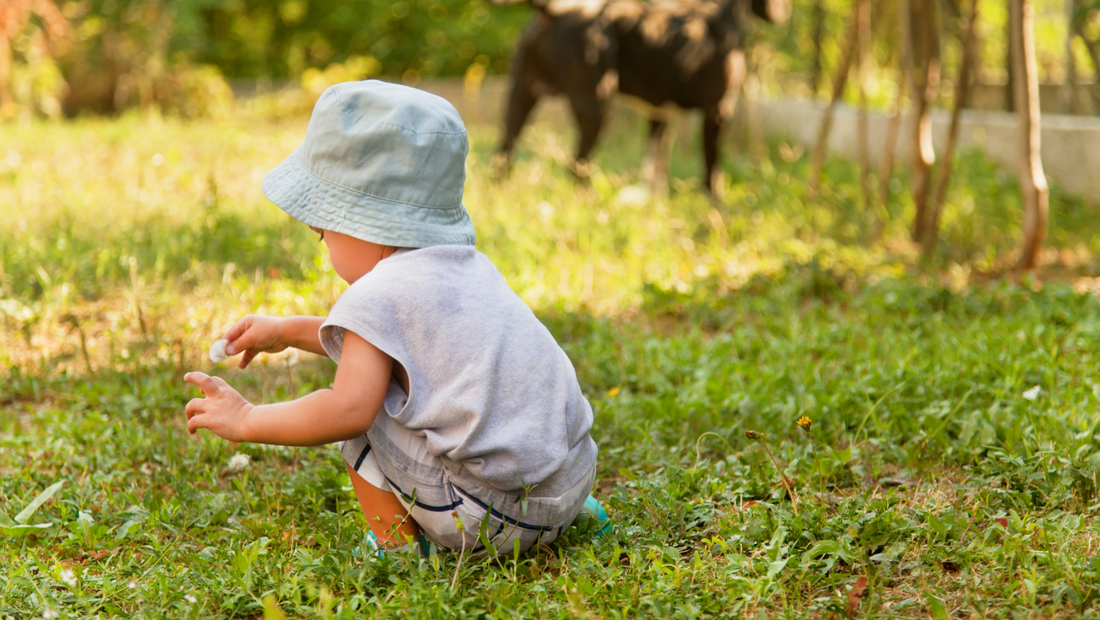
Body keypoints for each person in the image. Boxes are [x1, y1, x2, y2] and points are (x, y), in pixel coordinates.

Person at [182, 80, 605, 556]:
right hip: (567, 489)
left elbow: (348, 410)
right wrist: (284, 331)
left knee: (362, 408)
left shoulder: (378, 292)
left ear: (362, 222)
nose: (323, 246)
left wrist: (248, 418)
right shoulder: (469, 269)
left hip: (489, 520)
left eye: (323, 233)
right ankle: (580, 516)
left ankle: (396, 546)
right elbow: (394, 347)